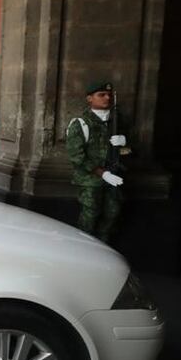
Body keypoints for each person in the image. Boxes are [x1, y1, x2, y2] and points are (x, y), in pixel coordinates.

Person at [66, 81, 128, 241]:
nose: (107, 98)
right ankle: (84, 247)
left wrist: (126, 143)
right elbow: (76, 156)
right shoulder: (80, 123)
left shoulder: (117, 122)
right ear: (90, 98)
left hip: (114, 176)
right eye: (101, 95)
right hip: (90, 180)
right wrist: (102, 173)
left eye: (109, 95)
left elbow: (131, 151)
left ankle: (103, 246)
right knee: (90, 215)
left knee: (112, 213)